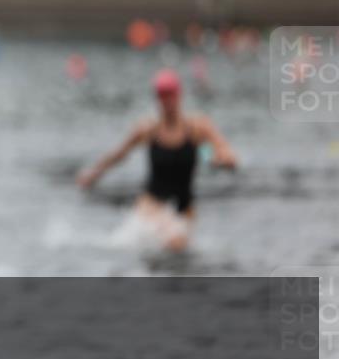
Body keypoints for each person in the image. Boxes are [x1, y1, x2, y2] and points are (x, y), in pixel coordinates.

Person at [77, 69, 237, 252]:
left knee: (179, 247)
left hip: (184, 208)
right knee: (170, 240)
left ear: (179, 95)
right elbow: (118, 155)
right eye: (161, 95)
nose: (166, 101)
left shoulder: (197, 128)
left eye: (170, 94)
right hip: (152, 203)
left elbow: (223, 149)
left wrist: (224, 159)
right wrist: (93, 175)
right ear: (157, 99)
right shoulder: (148, 130)